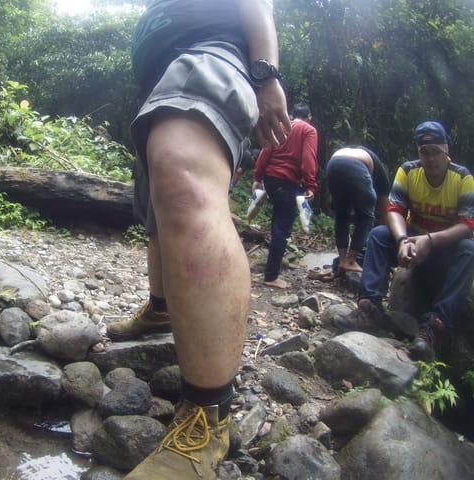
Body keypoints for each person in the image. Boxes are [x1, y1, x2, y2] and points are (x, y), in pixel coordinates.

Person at [107, 1, 291, 478]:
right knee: (158, 208)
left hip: (211, 54)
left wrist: (267, 74)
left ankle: (207, 420)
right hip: (164, 78)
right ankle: (162, 307)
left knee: (182, 177)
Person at [333, 121, 474, 360]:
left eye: (435, 152)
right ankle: (369, 307)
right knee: (379, 235)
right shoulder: (408, 171)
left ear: (446, 150)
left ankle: (436, 327)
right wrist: (402, 240)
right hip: (412, 240)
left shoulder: (462, 178)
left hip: (443, 248)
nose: (430, 159)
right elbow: (395, 210)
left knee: (469, 249)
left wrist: (429, 240)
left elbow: (466, 225)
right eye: (424, 152)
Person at [252, 102, 318, 289]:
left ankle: (261, 194)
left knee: (277, 224)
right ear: (309, 117)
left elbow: (266, 150)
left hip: (271, 180)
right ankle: (271, 276)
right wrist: (310, 185)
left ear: (291, 115)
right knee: (282, 229)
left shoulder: (281, 126)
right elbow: (308, 159)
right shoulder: (308, 130)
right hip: (287, 181)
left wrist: (257, 176)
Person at [326, 145, 390, 273]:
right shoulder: (382, 178)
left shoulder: (361, 152)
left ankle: (343, 260)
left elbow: (335, 204)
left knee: (341, 214)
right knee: (366, 217)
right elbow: (384, 212)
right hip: (356, 164)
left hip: (333, 163)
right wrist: (385, 234)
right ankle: (350, 261)